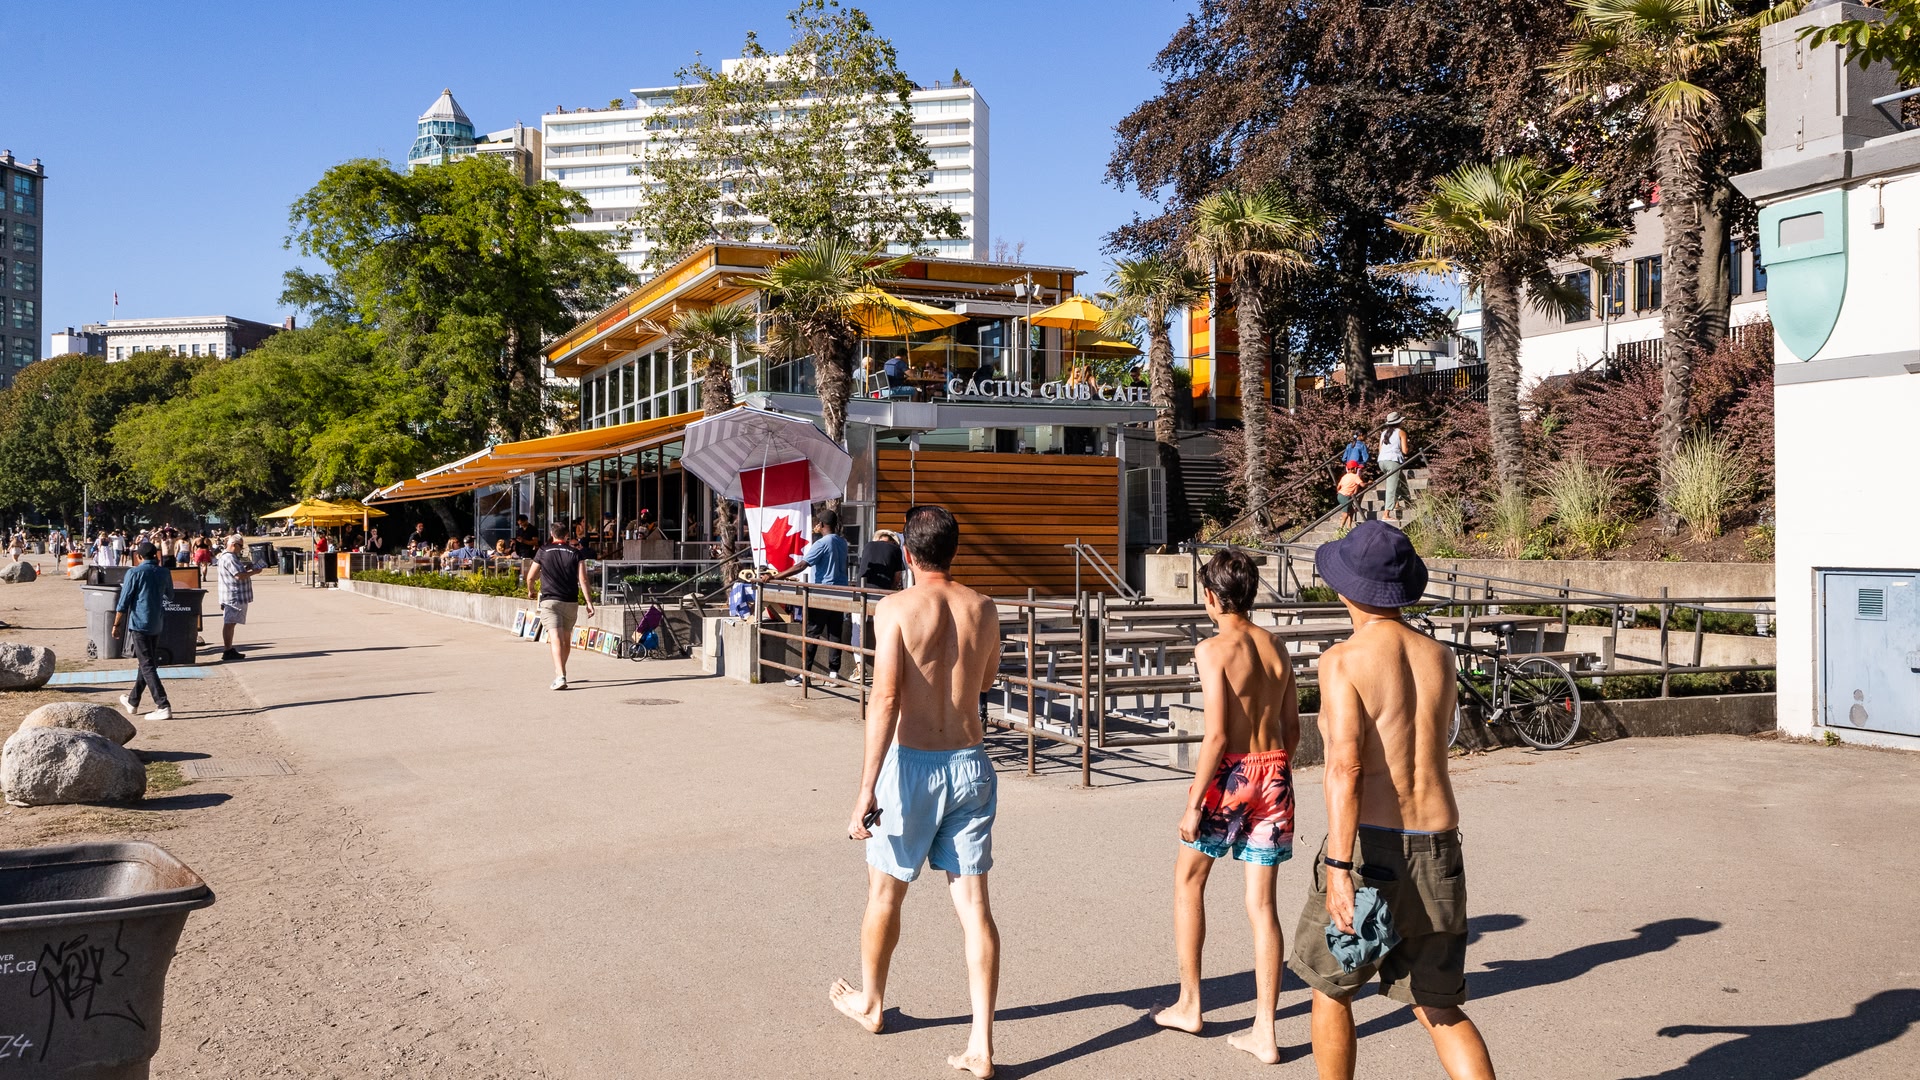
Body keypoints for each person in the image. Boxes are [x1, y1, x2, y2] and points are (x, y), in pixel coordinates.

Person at [1288, 520, 1495, 1080]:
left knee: (1332, 988)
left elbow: (1345, 767)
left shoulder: (1343, 660)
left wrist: (1338, 866)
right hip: (1439, 843)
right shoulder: (1439, 656)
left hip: (1371, 846)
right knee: (1437, 1004)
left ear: (1345, 588)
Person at [830, 506, 1002, 1079]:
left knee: (885, 895)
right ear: (954, 551)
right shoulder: (984, 608)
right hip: (971, 762)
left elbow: (884, 698)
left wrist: (865, 790)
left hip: (913, 766)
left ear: (906, 553)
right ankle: (981, 1045)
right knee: (975, 908)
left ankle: (872, 1002)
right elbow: (986, 680)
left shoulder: (895, 608)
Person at [1152, 548, 1300, 1064]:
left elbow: (1215, 734)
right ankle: (1265, 1031)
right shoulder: (1277, 646)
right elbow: (1293, 727)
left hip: (1231, 775)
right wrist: (1272, 775)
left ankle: (1190, 1004)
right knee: (1263, 906)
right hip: (1275, 771)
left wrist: (1195, 803)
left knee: (1188, 881)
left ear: (1212, 596)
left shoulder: (1212, 649)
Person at [771, 508, 849, 686]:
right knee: (834, 633)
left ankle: (804, 674)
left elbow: (802, 565)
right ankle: (833, 674)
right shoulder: (842, 542)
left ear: (821, 524)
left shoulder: (822, 543)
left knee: (812, 634)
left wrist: (776, 577)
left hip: (822, 593)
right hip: (841, 593)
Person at [525, 522, 595, 690]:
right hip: (570, 601)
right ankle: (561, 671)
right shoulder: (575, 553)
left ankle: (560, 675)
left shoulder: (543, 551)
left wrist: (531, 590)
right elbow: (583, 579)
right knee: (566, 639)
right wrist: (589, 602)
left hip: (550, 600)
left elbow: (530, 576)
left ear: (552, 533)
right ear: (567, 535)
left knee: (555, 638)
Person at [113, 541, 174, 720]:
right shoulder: (164, 572)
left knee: (147, 664)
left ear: (138, 556)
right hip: (156, 622)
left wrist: (116, 624)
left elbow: (123, 601)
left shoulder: (134, 572)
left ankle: (163, 704)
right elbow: (170, 595)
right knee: (147, 662)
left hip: (140, 623)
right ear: (156, 555)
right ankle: (133, 700)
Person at [852, 528, 908, 677]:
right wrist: (891, 590)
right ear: (893, 541)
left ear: (878, 538)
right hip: (881, 595)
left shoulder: (868, 546)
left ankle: (859, 668)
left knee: (857, 628)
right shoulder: (896, 550)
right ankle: (883, 669)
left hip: (861, 592)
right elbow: (897, 577)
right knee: (882, 631)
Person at [216, 535, 263, 661]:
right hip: (234, 596)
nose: (241, 548)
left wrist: (247, 569)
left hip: (233, 595)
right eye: (240, 546)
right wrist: (254, 572)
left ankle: (229, 649)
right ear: (233, 544)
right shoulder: (229, 558)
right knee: (230, 623)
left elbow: (237, 572)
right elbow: (238, 576)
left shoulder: (229, 557)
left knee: (231, 622)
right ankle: (227, 650)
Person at [1377, 411, 1411, 520]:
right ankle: (1386, 514)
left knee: (1401, 480)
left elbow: (1380, 449)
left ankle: (1404, 502)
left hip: (1382, 461)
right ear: (1399, 422)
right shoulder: (1401, 432)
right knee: (1391, 487)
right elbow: (1405, 451)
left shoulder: (1383, 433)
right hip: (1393, 461)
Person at [1337, 460, 1366, 529]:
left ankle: (1349, 526)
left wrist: (1339, 491)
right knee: (1345, 513)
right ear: (1355, 468)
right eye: (1357, 468)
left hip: (1340, 495)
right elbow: (1363, 485)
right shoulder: (1355, 476)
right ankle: (1340, 528)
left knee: (1351, 510)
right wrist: (1369, 483)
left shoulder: (1345, 476)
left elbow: (1338, 486)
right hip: (1346, 496)